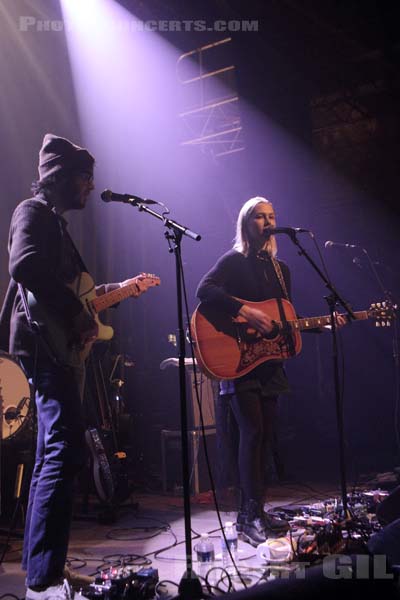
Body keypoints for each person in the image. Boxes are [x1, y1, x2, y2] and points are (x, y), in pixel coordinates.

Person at [0, 134, 146, 599]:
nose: (91, 186)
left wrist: (104, 296)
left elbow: (69, 286)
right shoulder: (32, 212)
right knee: (65, 450)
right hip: (45, 347)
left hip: (55, 345)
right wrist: (78, 314)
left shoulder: (55, 223)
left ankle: (43, 569)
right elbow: (24, 264)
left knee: (51, 455)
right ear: (60, 178)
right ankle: (45, 573)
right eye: (85, 178)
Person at [196, 196, 344, 547]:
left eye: (271, 216)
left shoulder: (281, 270)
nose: (267, 221)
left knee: (265, 438)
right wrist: (245, 311)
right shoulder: (233, 261)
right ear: (246, 223)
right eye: (260, 216)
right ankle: (247, 515)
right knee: (251, 434)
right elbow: (205, 290)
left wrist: (320, 326)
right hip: (239, 361)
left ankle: (258, 511)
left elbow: (283, 321)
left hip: (268, 362)